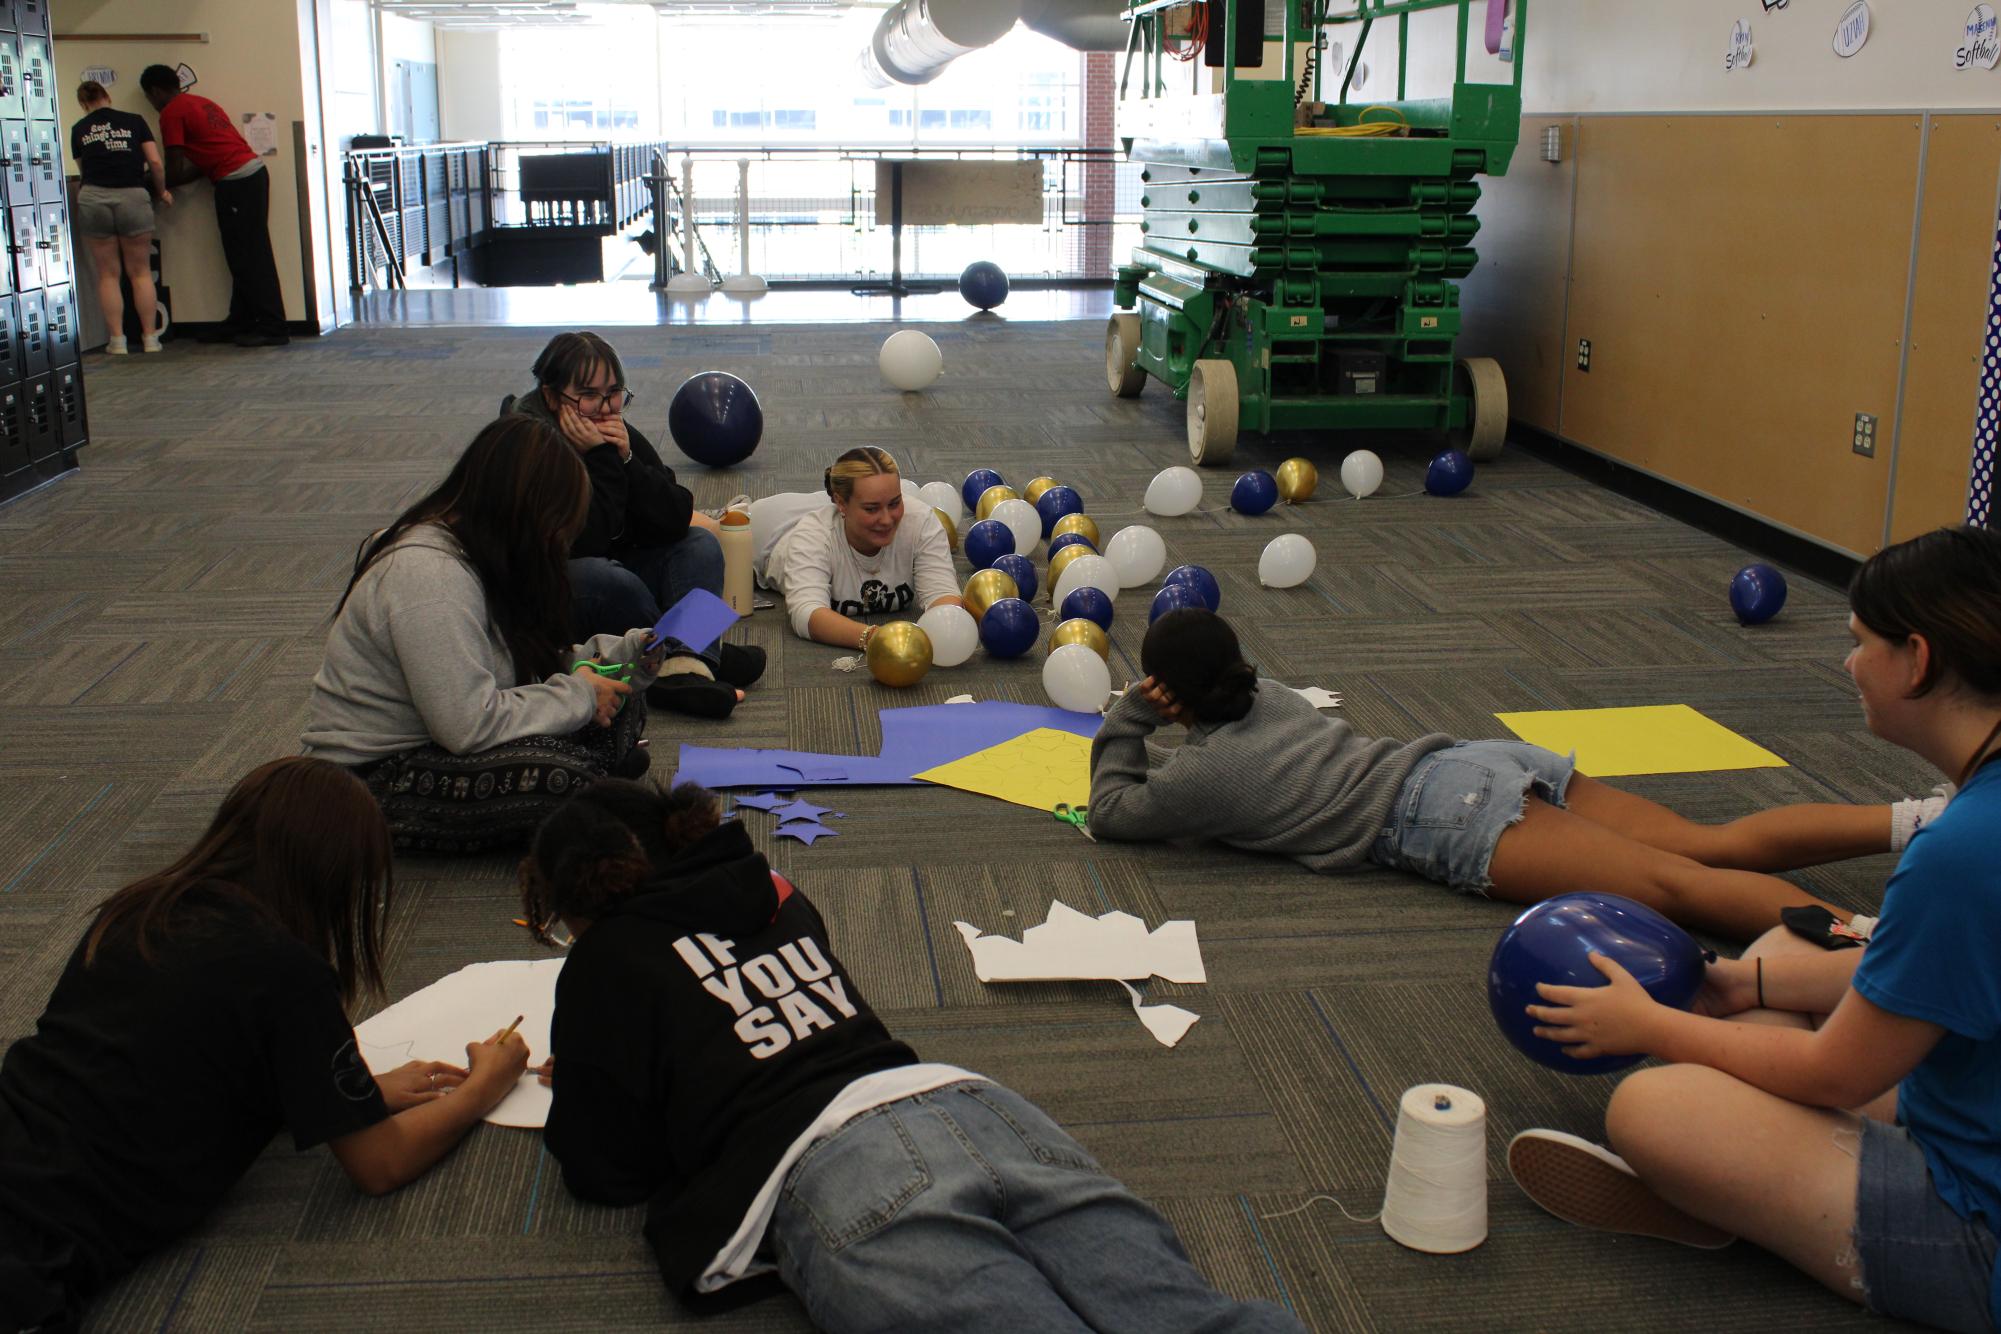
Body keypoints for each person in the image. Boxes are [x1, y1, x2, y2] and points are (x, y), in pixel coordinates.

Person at [517, 779, 1303, 1334]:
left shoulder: (603, 958)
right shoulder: (772, 891)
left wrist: (597, 1075)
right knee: (1189, 1318)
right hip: (971, 1105)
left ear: (581, 902)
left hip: (836, 1165)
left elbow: (603, 1172)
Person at [1506, 524, 2001, 1334]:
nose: (1847, 665)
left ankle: (1737, 1206)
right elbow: (1929, 965)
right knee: (1786, 945)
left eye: (1859, 644)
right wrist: (1747, 982)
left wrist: (1652, 1024)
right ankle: (1750, 1182)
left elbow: (1832, 1076)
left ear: (1917, 660)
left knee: (1651, 1110)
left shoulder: (1960, 855)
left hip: (1976, 1227)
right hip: (1970, 1091)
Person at [0, 758, 532, 1332]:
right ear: (334, 878)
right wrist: (484, 1087)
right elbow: (380, 1164)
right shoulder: (285, 970)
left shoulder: (137, 911)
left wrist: (346, 1095)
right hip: (35, 1247)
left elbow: (175, 1061)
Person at [1089, 606, 1941, 942]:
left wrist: (1128, 715)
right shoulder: (1269, 696)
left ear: (1173, 700)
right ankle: (1913, 822)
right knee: (1702, 845)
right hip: (1466, 758)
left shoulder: (1207, 782)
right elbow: (1217, 745)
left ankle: (1879, 950)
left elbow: (1111, 809)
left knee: (1673, 886)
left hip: (1446, 816)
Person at [301, 416, 667, 854]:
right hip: (373, 777)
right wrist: (582, 698)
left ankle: (593, 782)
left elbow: (523, 667)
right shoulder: (428, 578)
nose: (557, 546)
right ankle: (591, 783)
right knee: (557, 777)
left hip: (443, 739)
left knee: (621, 703)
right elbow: (467, 726)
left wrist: (621, 656)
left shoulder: (480, 554)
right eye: (554, 530)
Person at [510, 331, 763, 718]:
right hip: (549, 591)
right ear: (551, 396)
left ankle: (687, 657)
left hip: (613, 565)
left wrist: (628, 461)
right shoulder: (530, 447)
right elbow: (589, 541)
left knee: (700, 545)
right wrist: (602, 460)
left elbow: (676, 516)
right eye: (588, 394)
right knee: (612, 581)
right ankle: (684, 654)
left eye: (613, 392)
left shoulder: (612, 430)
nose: (604, 407)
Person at [749, 446, 965, 649]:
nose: (888, 520)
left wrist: (943, 628)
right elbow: (806, 614)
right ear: (841, 503)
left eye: (895, 503)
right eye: (872, 509)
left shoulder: (920, 520)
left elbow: (944, 595)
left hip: (842, 514)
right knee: (724, 531)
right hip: (771, 529)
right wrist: (875, 639)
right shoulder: (812, 536)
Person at [137, 64, 287, 348]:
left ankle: (273, 326)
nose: (153, 105)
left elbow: (176, 168)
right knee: (243, 254)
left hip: (236, 182)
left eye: (149, 99)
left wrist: (149, 183)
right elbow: (204, 162)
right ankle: (241, 320)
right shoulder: (203, 103)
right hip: (250, 175)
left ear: (155, 92)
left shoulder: (171, 113)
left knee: (250, 256)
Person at [70, 80, 170, 355]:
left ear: (83, 104)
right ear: (108, 97)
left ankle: (117, 340)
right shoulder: (135, 121)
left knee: (108, 274)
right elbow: (156, 162)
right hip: (132, 196)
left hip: (94, 198)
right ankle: (150, 338)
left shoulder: (79, 129)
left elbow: (83, 170)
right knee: (139, 273)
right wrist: (161, 191)